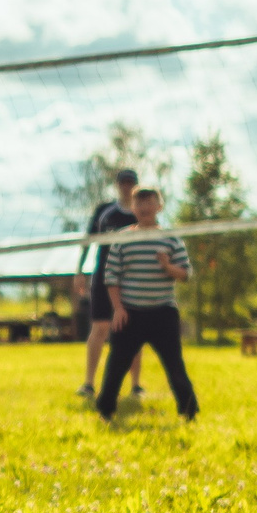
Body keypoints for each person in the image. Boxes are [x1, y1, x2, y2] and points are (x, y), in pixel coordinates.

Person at [94, 186, 199, 423]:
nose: (144, 208)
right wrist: (118, 308)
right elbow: (111, 276)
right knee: (116, 365)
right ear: (133, 208)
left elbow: (185, 274)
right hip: (129, 314)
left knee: (175, 366)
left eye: (150, 202)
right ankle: (105, 411)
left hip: (163, 313)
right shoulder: (123, 238)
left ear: (159, 207)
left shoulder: (170, 238)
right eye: (139, 203)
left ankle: (189, 412)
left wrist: (167, 266)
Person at [75, 169, 146, 400]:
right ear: (117, 185)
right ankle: (89, 384)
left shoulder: (141, 213)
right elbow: (88, 240)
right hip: (104, 278)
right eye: (123, 182)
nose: (126, 186)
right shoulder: (104, 211)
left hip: (132, 280)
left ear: (135, 185)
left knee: (133, 331)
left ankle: (135, 386)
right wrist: (79, 271)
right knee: (100, 328)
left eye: (130, 182)